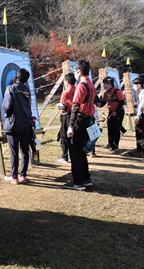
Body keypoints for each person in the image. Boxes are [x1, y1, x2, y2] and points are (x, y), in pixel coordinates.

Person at [64, 59, 96, 190]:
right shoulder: (91, 84)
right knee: (82, 151)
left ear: (79, 72)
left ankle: (78, 182)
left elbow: (76, 106)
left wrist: (70, 125)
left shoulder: (82, 85)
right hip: (88, 119)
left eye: (75, 72)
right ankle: (86, 178)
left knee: (76, 152)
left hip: (80, 120)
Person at [2, 68, 34, 184]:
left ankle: (14, 177)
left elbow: (6, 105)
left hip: (14, 124)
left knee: (14, 152)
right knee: (25, 150)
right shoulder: (27, 90)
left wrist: (7, 114)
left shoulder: (10, 88)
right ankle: (23, 175)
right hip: (26, 124)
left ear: (16, 77)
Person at [98, 76, 125, 152]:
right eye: (104, 84)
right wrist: (98, 104)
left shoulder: (117, 91)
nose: (105, 85)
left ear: (110, 83)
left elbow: (122, 102)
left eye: (106, 83)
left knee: (116, 128)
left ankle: (115, 145)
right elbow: (103, 102)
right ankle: (110, 143)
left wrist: (116, 111)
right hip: (110, 112)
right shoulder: (106, 93)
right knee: (110, 128)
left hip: (118, 112)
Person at [56, 72, 76, 163]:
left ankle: (65, 156)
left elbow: (63, 106)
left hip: (67, 115)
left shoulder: (66, 92)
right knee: (74, 136)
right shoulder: (77, 90)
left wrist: (59, 106)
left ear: (67, 81)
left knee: (64, 137)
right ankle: (73, 155)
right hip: (75, 115)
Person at [129, 77, 144, 157]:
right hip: (142, 116)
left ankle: (141, 151)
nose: (133, 87)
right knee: (140, 133)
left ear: (139, 85)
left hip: (142, 117)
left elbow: (142, 106)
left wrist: (137, 117)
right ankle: (140, 149)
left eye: (134, 85)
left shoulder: (143, 93)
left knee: (140, 133)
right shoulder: (142, 92)